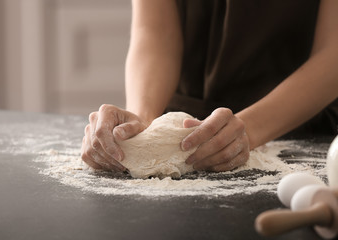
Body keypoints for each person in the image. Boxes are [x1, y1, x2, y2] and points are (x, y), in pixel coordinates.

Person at [81, 0, 338, 173]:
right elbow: (155, 31)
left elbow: (333, 54)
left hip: (297, 127)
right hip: (184, 127)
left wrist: (250, 128)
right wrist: (142, 120)